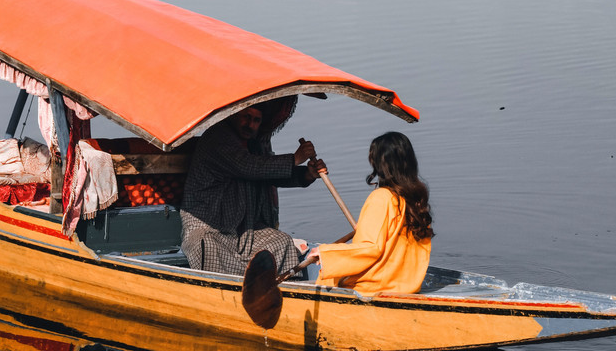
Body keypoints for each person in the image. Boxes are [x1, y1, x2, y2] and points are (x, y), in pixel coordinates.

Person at [179, 97, 325, 275]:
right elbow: (249, 166)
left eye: (256, 120)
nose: (250, 124)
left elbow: (267, 174)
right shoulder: (217, 138)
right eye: (246, 116)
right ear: (233, 115)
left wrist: (307, 174)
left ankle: (284, 293)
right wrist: (294, 159)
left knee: (282, 242)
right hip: (210, 227)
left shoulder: (254, 144)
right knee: (210, 247)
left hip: (244, 231)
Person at [307, 131, 433, 295]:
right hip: (408, 285)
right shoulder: (416, 200)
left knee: (327, 278)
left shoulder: (381, 197)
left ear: (381, 164)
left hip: (377, 286)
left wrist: (324, 253)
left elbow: (371, 248)